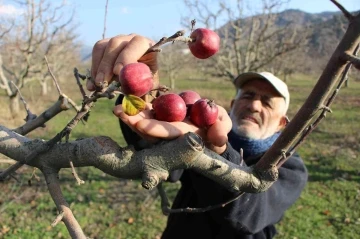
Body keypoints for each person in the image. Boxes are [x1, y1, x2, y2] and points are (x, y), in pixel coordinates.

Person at [88, 34, 308, 239]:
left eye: (267, 102)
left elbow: (248, 214)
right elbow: (164, 160)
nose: (253, 106)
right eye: (248, 95)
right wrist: (141, 93)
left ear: (282, 123)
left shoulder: (289, 168)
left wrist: (214, 150)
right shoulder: (200, 132)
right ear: (232, 105)